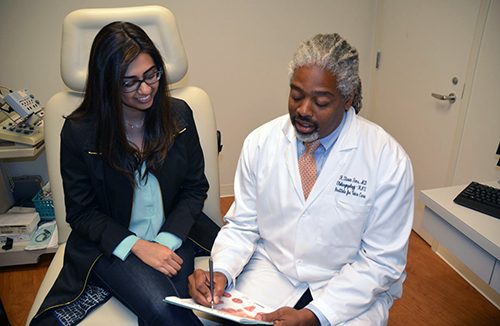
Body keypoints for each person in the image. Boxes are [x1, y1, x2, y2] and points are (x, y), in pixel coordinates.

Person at [189, 33, 414, 326]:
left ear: (347, 99)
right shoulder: (261, 142)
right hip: (271, 270)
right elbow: (243, 226)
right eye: (296, 95)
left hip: (348, 289)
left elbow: (381, 262)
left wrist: (316, 315)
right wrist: (222, 271)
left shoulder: (387, 160)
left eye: (320, 101)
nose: (303, 110)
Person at [30, 22, 218, 326]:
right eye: (128, 82)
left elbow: (195, 189)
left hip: (173, 233)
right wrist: (140, 247)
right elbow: (81, 213)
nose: (145, 89)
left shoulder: (179, 114)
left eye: (151, 75)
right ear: (106, 83)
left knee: (167, 309)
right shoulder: (80, 132)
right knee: (163, 310)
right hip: (111, 245)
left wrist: (165, 242)